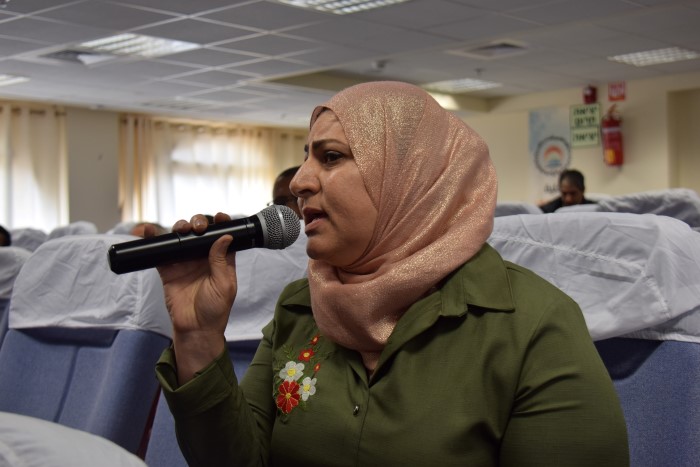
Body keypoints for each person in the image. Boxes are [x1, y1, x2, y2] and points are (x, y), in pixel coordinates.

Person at [151, 82, 629, 466]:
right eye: (306, 156)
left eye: (330, 157)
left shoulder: (532, 325)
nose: (298, 181)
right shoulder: (301, 308)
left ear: (408, 176)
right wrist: (198, 337)